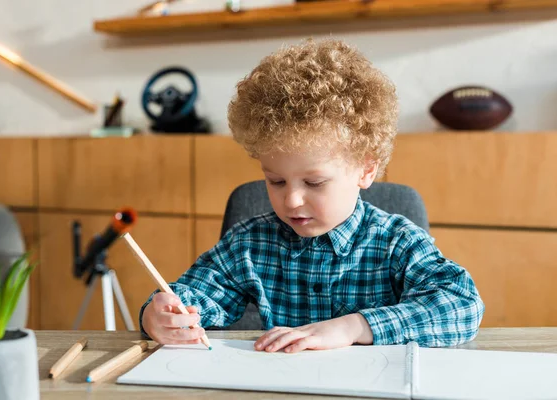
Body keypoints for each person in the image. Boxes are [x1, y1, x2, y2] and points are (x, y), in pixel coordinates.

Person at [140, 38, 484, 353]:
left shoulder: (397, 243)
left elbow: (462, 305)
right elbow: (191, 296)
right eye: (275, 181)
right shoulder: (249, 243)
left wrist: (354, 327)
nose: (290, 201)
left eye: (315, 183)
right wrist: (160, 315)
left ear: (365, 171)